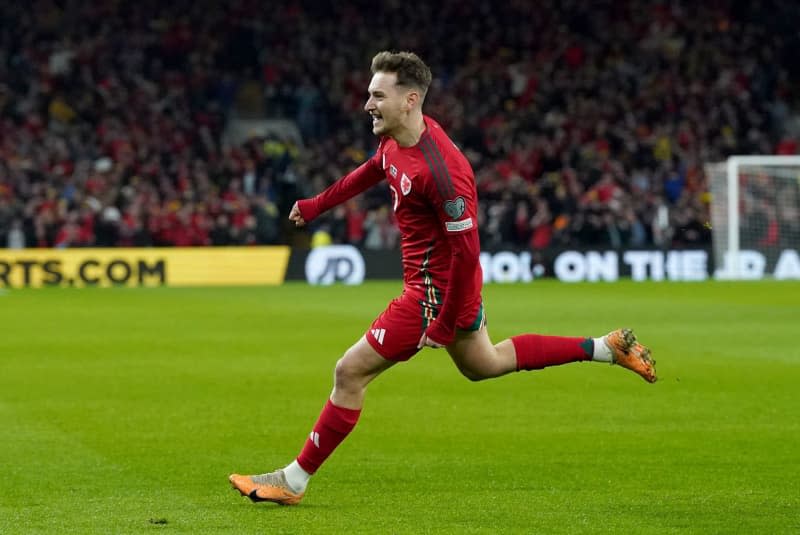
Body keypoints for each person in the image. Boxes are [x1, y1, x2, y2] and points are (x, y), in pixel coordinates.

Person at [229, 51, 656, 506]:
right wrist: (318, 204)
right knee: (484, 364)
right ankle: (603, 348)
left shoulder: (443, 171)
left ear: (409, 100)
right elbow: (374, 169)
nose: (367, 105)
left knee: (348, 373)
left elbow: (468, 256)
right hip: (441, 289)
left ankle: (292, 481)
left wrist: (445, 321)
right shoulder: (396, 140)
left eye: (377, 96)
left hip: (434, 293)